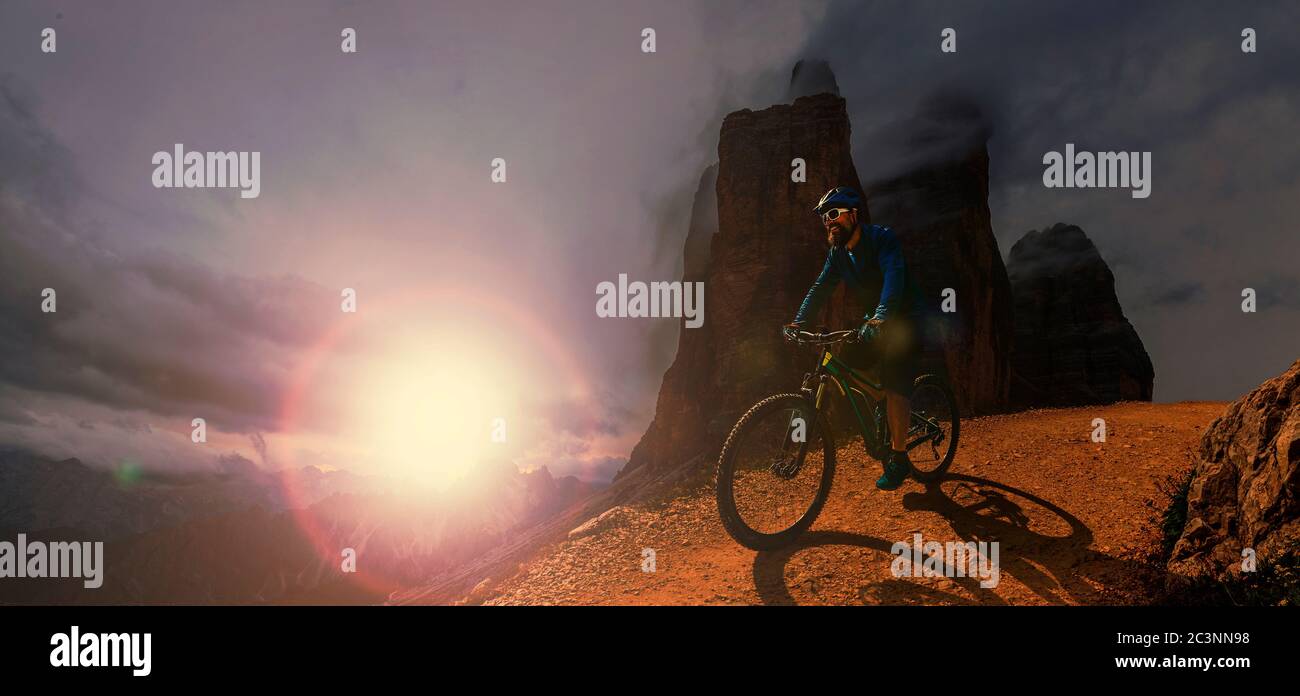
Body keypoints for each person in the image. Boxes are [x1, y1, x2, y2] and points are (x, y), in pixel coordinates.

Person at [785, 186, 926, 490]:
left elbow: (893, 276)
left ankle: (899, 459)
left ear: (853, 215)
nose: (829, 221)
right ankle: (880, 401)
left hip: (905, 319)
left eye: (834, 214)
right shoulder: (837, 255)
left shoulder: (882, 239)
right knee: (845, 363)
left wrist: (882, 315)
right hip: (874, 321)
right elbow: (820, 288)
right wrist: (799, 321)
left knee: (894, 382)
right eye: (824, 217)